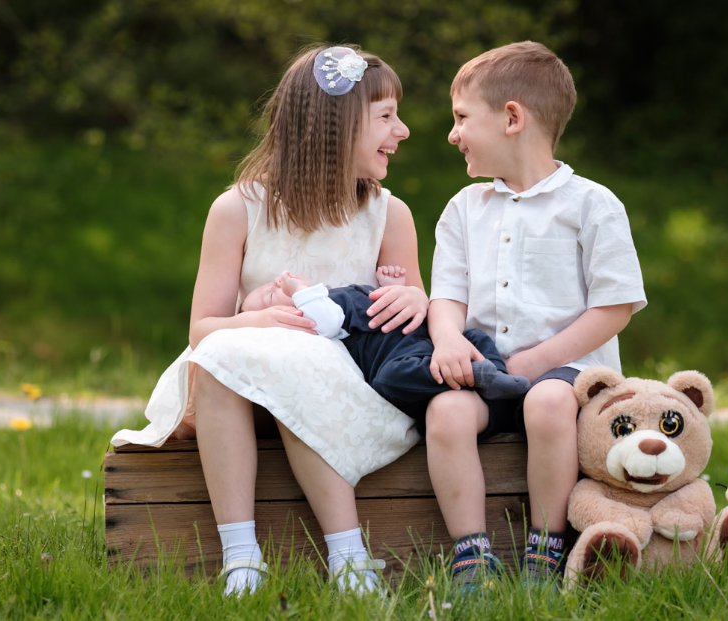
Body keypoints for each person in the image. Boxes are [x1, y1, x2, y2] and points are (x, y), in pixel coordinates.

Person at [111, 45, 430, 595]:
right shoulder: (237, 209)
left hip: (347, 398)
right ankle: (241, 556)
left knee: (296, 357)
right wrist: (259, 320)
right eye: (386, 117)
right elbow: (202, 330)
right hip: (244, 396)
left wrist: (412, 301)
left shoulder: (388, 216)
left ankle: (349, 556)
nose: (401, 131)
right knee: (219, 357)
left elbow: (414, 311)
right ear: (335, 126)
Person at [424, 41, 648, 593]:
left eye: (461, 118)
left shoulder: (591, 204)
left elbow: (615, 306)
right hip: (486, 367)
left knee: (546, 403)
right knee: (446, 413)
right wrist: (448, 338)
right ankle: (472, 556)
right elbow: (447, 295)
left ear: (512, 118)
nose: (452, 134)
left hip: (567, 373)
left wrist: (539, 360)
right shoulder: (464, 209)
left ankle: (546, 550)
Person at [241, 266, 530, 423]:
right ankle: (477, 375)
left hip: (423, 336)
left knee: (472, 336)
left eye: (269, 284)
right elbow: (327, 321)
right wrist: (300, 291)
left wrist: (393, 288)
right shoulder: (314, 316)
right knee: (390, 380)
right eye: (270, 296)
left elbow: (387, 306)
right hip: (399, 360)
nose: (276, 284)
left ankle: (497, 375)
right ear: (288, 315)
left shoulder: (334, 292)